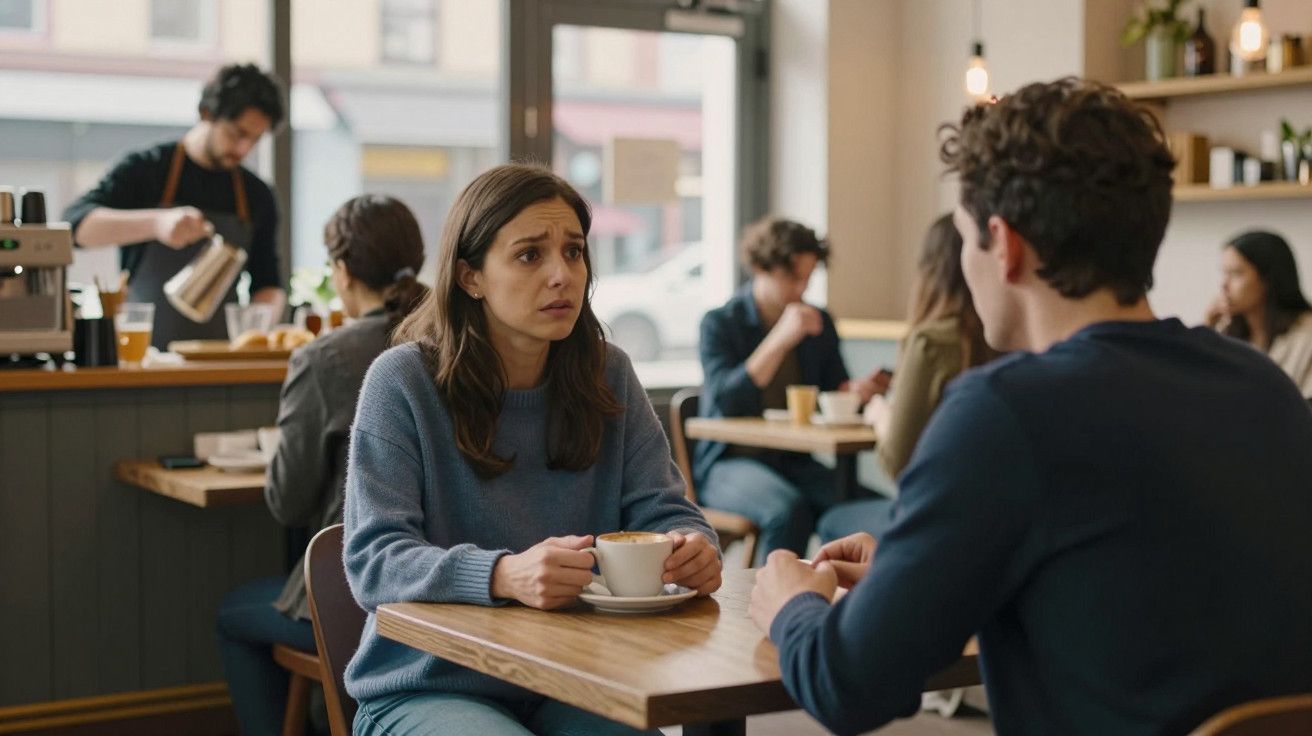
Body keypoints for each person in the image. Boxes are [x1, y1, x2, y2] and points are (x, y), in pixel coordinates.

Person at [748, 77, 1312, 736]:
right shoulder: (1261, 385)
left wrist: (790, 606)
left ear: (1004, 243)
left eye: (965, 239)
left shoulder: (1001, 412)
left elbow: (848, 686)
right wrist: (918, 572)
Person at [342, 164, 722, 736]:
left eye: (574, 252)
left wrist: (694, 547)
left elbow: (665, 513)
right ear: (471, 277)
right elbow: (373, 560)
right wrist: (502, 574)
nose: (561, 275)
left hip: (579, 677)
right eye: (529, 256)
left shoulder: (608, 373)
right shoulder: (402, 382)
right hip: (428, 685)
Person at [215, 195, 428, 736]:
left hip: (358, 596)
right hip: (448, 585)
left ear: (342, 270)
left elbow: (287, 501)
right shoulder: (457, 338)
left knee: (235, 614)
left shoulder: (327, 356)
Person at [694, 217, 889, 566]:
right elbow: (727, 401)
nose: (801, 289)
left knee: (873, 511)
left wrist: (855, 393)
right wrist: (781, 338)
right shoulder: (720, 323)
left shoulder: (819, 322)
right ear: (759, 268)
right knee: (789, 510)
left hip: (795, 461)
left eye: (808, 277)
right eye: (792, 277)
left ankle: (850, 608)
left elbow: (834, 390)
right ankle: (774, 605)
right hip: (729, 463)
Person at [63, 63, 286, 347]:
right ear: (207, 113)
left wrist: (256, 332)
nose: (243, 149)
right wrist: (157, 224)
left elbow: (268, 283)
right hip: (146, 355)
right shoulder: (146, 169)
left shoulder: (257, 194)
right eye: (237, 133)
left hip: (219, 359)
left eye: (254, 140)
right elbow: (75, 227)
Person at [816, 214, 998, 546]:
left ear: (930, 270)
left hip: (940, 517)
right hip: (997, 514)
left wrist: (878, 412)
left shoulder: (931, 341)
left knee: (834, 520)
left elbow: (898, 461)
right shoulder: (1003, 338)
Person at [1205, 230, 1312, 397]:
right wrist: (1206, 328)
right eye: (1224, 273)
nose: (1223, 285)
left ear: (1268, 278)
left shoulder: (1306, 335)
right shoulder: (1224, 330)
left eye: (1236, 274)